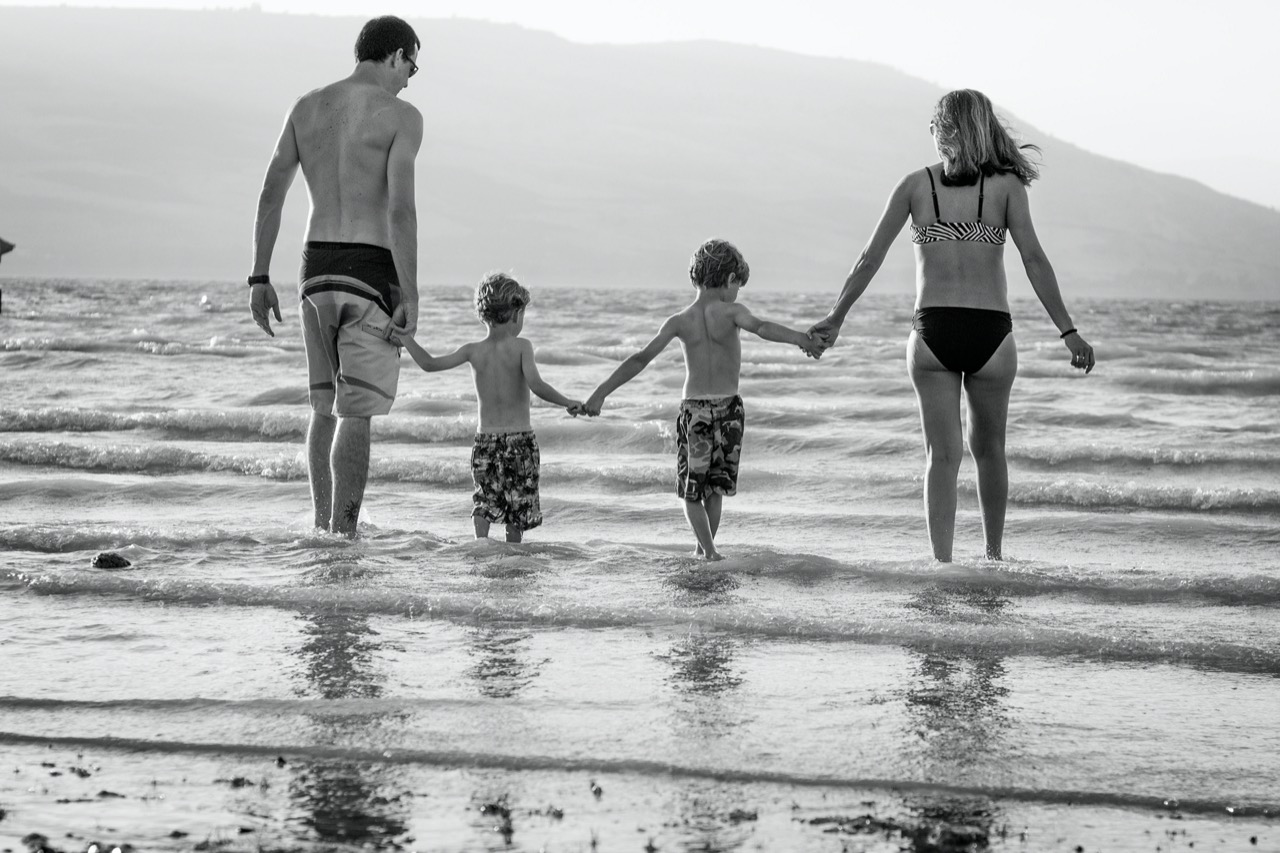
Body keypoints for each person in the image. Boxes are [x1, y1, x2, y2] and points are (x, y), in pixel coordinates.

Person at [808, 89, 1095, 562]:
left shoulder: (915, 186)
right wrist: (1068, 332)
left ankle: (941, 565)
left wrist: (836, 318)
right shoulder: (1006, 188)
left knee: (941, 457)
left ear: (946, 130)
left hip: (933, 333)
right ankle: (994, 558)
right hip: (992, 336)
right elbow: (1035, 261)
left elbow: (868, 259)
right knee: (990, 451)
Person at [247, 16, 424, 536]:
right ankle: (344, 533)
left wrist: (259, 276)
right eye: (412, 64)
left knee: (323, 406)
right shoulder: (401, 116)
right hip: (369, 269)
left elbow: (270, 192)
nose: (411, 77)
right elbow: (401, 211)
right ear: (395, 55)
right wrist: (409, 292)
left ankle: (321, 527)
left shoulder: (306, 107)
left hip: (314, 268)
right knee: (356, 411)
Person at [583, 239, 822, 561]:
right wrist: (800, 339)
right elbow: (763, 328)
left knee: (692, 487)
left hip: (694, 410)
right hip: (729, 410)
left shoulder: (679, 320)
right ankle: (709, 550)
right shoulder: (734, 312)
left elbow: (640, 359)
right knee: (716, 487)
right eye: (739, 286)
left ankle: (703, 549)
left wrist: (600, 394)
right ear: (729, 279)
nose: (738, 293)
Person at [392, 273, 583, 543]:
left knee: (485, 498)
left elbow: (430, 364)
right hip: (520, 442)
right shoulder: (521, 347)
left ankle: (480, 544)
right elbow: (537, 385)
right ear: (516, 313)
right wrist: (567, 402)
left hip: (485, 441)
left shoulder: (473, 351)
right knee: (518, 505)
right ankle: (512, 553)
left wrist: (406, 339)